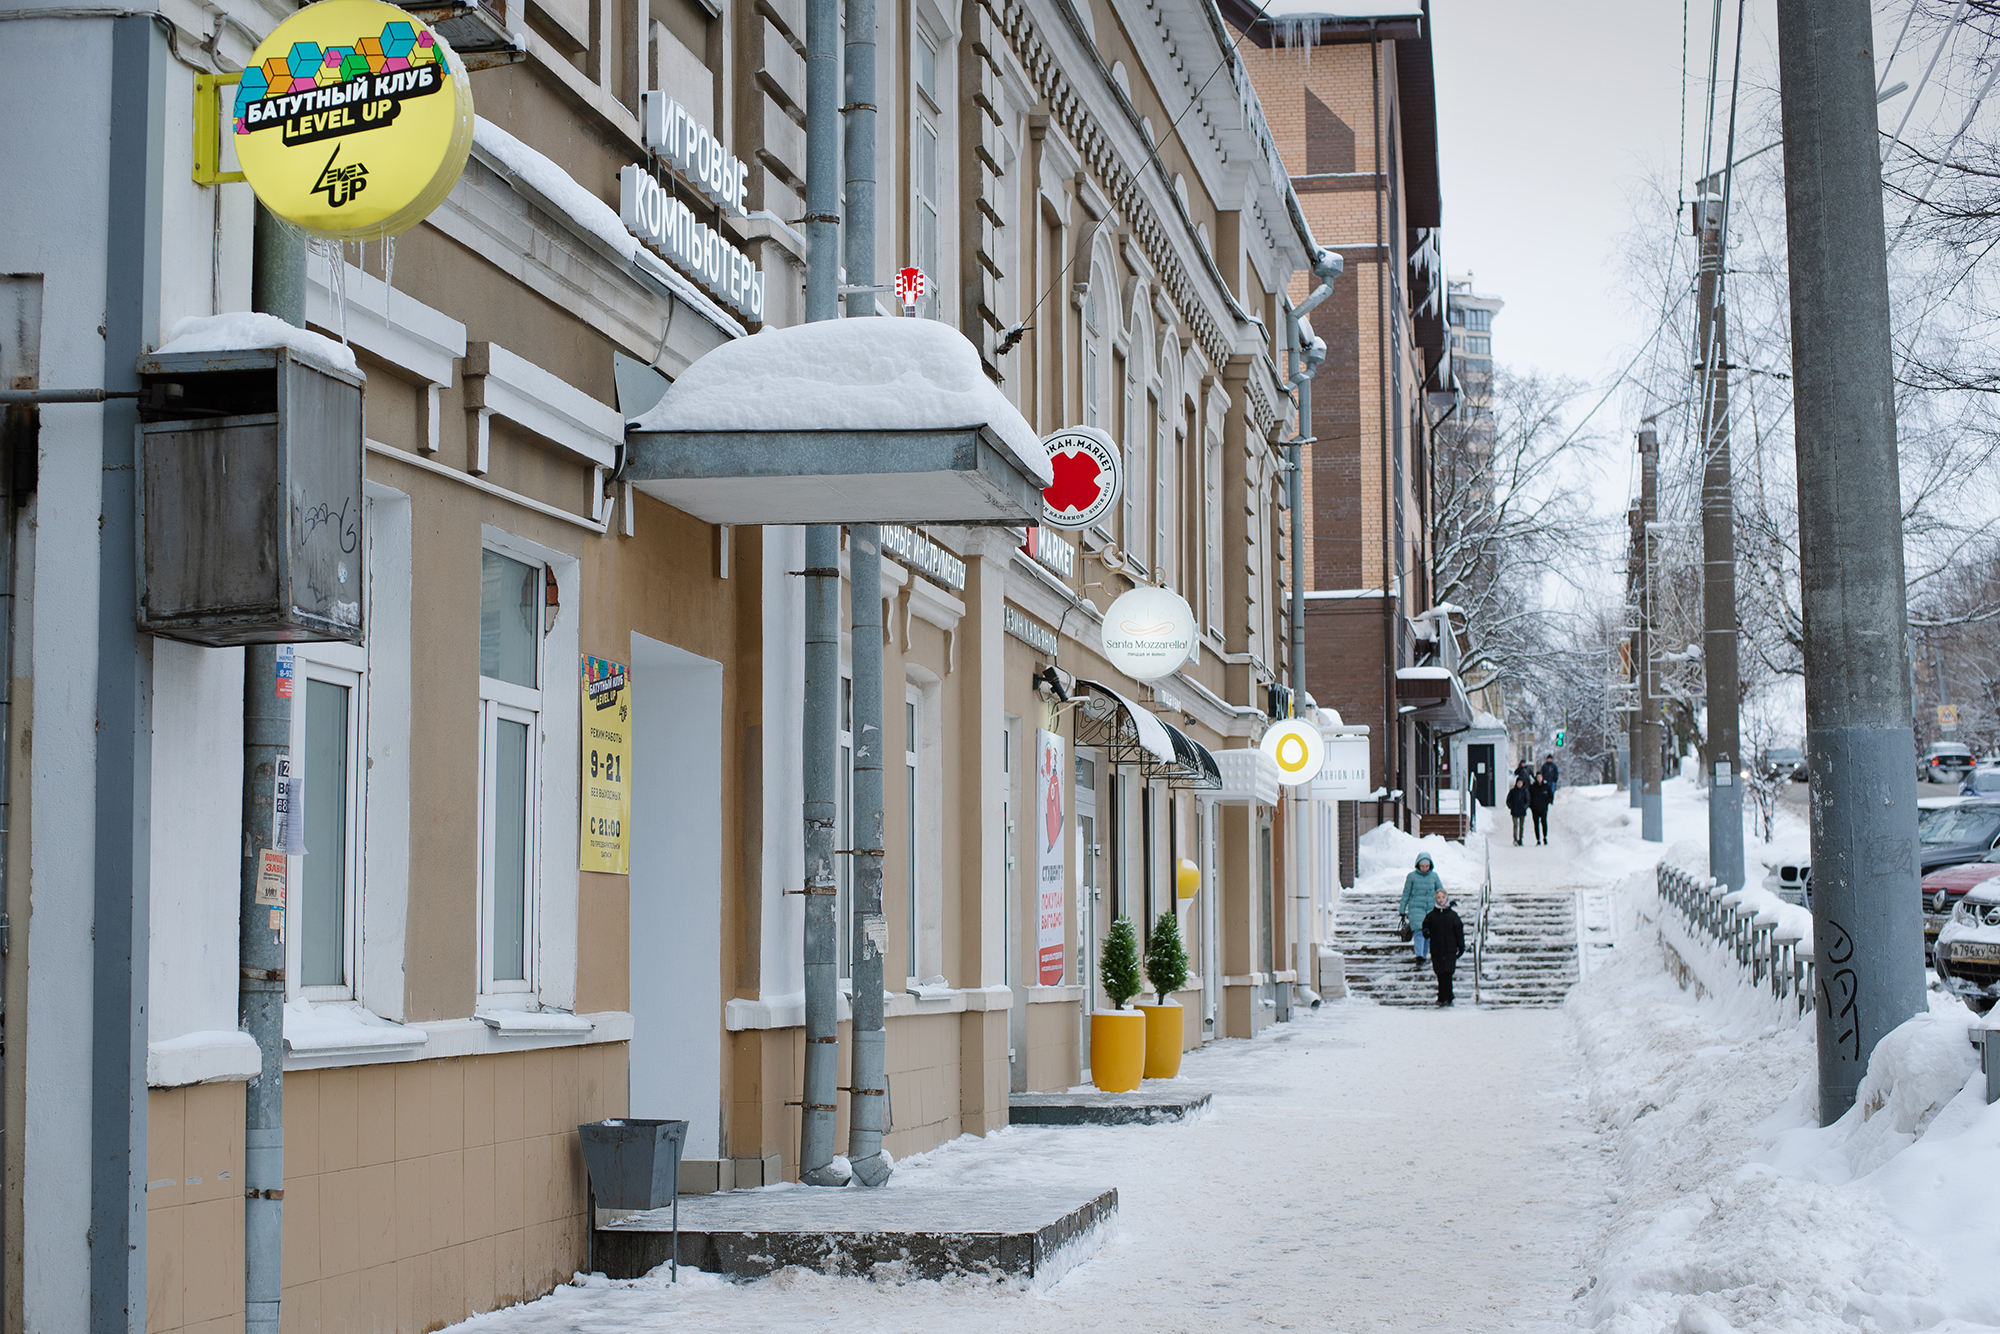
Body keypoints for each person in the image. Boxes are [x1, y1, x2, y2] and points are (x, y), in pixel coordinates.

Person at [1422, 887, 1466, 1006]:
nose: (1441, 900)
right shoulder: (1431, 915)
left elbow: (1459, 931)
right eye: (1438, 898)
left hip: (1450, 949)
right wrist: (1426, 932)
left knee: (1448, 972)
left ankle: (1448, 996)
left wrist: (1461, 946)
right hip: (1437, 949)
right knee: (1440, 973)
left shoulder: (1452, 915)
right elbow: (1425, 927)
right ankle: (1442, 996)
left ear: (1447, 898)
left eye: (1443, 897)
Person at [1400, 854, 1443, 967]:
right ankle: (1419, 956)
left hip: (1430, 910)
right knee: (1419, 933)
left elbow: (1440, 890)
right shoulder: (1412, 877)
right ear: (1418, 865)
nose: (1424, 868)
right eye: (1422, 866)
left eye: (1426, 866)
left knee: (1428, 934)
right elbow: (1406, 893)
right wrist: (1402, 909)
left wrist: (1448, 902)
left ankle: (1423, 955)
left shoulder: (1434, 876)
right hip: (1416, 909)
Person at [1527, 775, 1552, 845]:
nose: (1539, 779)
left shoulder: (1546, 786)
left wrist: (1547, 802)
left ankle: (1545, 837)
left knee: (1544, 822)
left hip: (1543, 808)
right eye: (1538, 777)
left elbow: (1550, 796)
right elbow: (1529, 796)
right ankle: (1538, 839)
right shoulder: (1532, 787)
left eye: (1540, 777)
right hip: (1535, 808)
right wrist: (1530, 805)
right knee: (1536, 824)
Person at [1505, 776, 1530, 846]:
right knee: (1515, 825)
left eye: (1521, 783)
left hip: (1522, 810)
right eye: (1518, 783)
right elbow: (1508, 800)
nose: (1519, 784)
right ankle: (1515, 839)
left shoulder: (1524, 791)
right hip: (1514, 810)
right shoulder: (1513, 791)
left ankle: (1520, 839)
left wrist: (1524, 807)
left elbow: (1527, 800)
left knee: (1521, 826)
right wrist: (1511, 807)